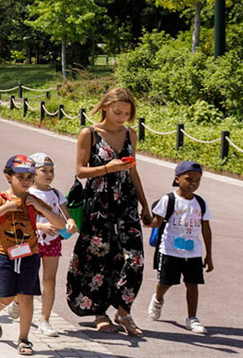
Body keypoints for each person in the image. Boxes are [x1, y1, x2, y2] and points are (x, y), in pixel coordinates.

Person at [65, 85, 150, 336]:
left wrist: (144, 204)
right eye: (117, 112)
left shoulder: (130, 134)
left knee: (135, 258)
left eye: (126, 113)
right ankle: (100, 313)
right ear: (105, 107)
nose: (122, 117)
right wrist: (107, 168)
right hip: (99, 202)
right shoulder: (88, 133)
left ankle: (124, 311)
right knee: (100, 257)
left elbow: (133, 170)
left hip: (126, 202)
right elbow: (81, 171)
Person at [0, 154, 68, 357]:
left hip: (29, 254)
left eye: (29, 177)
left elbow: (61, 225)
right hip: (5, 254)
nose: (26, 181)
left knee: (27, 296)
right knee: (7, 297)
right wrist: (6, 208)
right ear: (8, 177)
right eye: (21, 177)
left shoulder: (33, 199)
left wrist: (38, 208)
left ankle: (24, 338)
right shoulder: (0, 198)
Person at [147, 161, 214, 335]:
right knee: (166, 282)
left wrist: (209, 254)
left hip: (193, 252)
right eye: (189, 179)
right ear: (177, 179)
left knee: (193, 284)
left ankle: (192, 318)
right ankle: (158, 298)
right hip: (169, 250)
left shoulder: (201, 203)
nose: (193, 183)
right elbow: (157, 222)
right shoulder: (168, 200)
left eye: (198, 180)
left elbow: (206, 228)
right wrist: (147, 220)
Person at [27, 151, 70, 337]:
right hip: (32, 241)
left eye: (51, 170)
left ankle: (44, 319)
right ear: (33, 172)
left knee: (49, 280)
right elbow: (21, 218)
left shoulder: (56, 194)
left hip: (52, 242)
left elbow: (66, 215)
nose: (49, 174)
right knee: (28, 278)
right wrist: (40, 225)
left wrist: (70, 223)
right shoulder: (27, 193)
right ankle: (18, 302)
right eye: (43, 170)